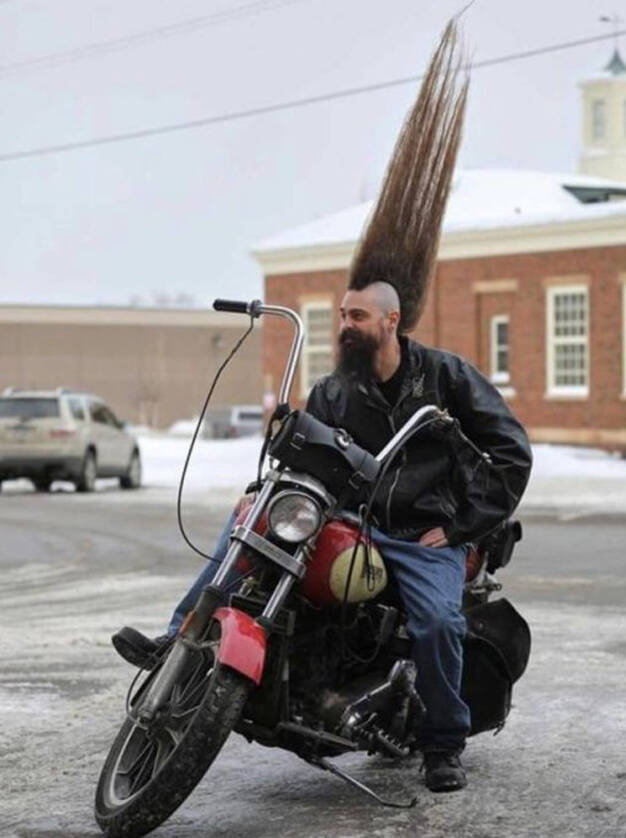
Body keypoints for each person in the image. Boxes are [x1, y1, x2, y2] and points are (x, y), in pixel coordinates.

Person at [112, 19, 532, 793]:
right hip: (342, 522)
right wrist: (276, 461)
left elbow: (510, 450)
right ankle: (178, 639)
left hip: (415, 533)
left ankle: (443, 745)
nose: (343, 325)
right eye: (338, 315)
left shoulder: (443, 377)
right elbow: (309, 449)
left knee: (438, 621)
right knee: (244, 524)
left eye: (355, 317)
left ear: (390, 322)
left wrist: (459, 526)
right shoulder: (334, 387)